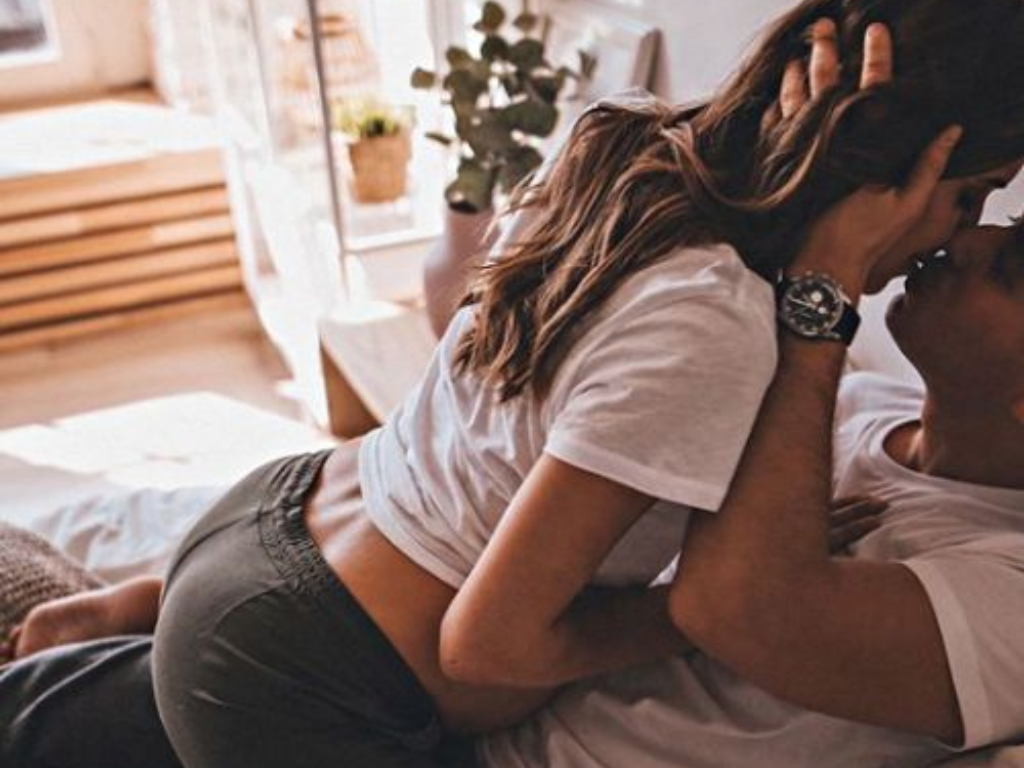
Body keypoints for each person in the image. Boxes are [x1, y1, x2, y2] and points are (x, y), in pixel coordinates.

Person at [2, 2, 1023, 767]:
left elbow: (494, 439)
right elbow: (488, 645)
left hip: (274, 521)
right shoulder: (722, 326)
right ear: (891, 173)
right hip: (314, 666)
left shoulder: (628, 150)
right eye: (969, 195)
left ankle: (106, 643)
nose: (961, 233)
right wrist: (674, 615)